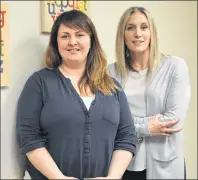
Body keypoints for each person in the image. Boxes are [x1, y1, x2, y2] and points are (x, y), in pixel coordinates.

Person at [16, 10, 136, 180]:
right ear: (56, 42)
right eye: (65, 36)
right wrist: (58, 178)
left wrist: (112, 177)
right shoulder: (39, 83)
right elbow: (28, 137)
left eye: (79, 34)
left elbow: (127, 136)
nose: (72, 42)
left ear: (91, 40)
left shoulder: (113, 87)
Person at [108, 6, 191, 180]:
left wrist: (129, 124)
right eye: (130, 28)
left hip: (166, 165)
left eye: (144, 27)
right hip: (125, 163)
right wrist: (147, 127)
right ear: (122, 35)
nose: (138, 34)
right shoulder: (110, 73)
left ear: (152, 32)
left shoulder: (175, 66)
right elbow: (109, 122)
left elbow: (174, 119)